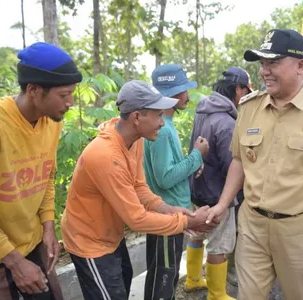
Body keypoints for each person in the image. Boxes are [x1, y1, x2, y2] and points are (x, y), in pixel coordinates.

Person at [205, 29, 303, 300]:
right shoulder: (248, 107)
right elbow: (240, 161)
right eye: (262, 63)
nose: (265, 71)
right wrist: (222, 204)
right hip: (253, 225)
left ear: (301, 66)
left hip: (302, 230)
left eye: (273, 62)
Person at [61, 80, 216, 300]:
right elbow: (136, 219)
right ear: (136, 117)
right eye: (158, 116)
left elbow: (139, 187)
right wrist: (188, 222)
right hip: (89, 242)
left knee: (123, 283)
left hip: (110, 235)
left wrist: (168, 209)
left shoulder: (134, 141)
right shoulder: (106, 156)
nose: (162, 123)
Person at [0, 42, 82, 299]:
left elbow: (47, 175)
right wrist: (14, 262)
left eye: (72, 94)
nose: (70, 103)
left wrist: (47, 225)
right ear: (33, 90)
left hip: (32, 246)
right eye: (64, 95)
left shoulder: (51, 121)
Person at [142, 64, 209, 300]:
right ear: (173, 95)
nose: (188, 95)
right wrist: (197, 154)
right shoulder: (163, 130)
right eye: (184, 90)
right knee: (165, 275)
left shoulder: (162, 124)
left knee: (160, 271)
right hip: (167, 214)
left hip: (165, 211)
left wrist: (192, 164)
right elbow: (165, 177)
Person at [187, 67, 252, 299]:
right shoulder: (226, 122)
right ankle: (217, 294)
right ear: (238, 89)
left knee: (196, 234)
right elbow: (231, 166)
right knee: (220, 245)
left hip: (197, 187)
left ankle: (193, 279)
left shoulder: (202, 111)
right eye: (246, 90)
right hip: (217, 194)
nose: (246, 96)